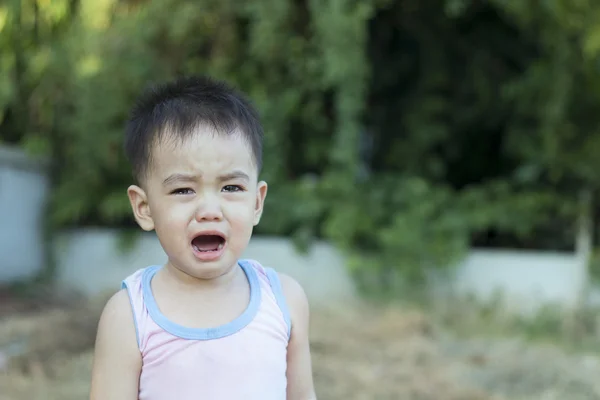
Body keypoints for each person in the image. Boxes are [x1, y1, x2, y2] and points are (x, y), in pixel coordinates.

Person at [89, 76, 317, 400]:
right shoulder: (129, 317)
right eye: (184, 189)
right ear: (144, 208)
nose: (210, 210)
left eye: (231, 188)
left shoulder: (285, 302)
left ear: (256, 202)